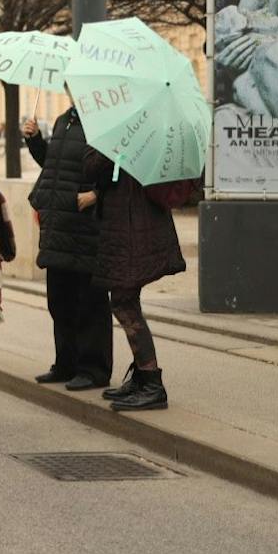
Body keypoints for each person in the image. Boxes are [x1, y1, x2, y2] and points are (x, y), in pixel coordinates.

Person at [82, 146, 187, 412]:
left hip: (133, 228)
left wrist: (107, 147)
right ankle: (142, 377)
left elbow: (93, 169)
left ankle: (152, 384)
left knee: (123, 301)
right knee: (125, 300)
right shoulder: (148, 135)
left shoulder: (125, 135)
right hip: (134, 224)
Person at [22, 102, 113, 391]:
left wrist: (97, 194)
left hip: (87, 228)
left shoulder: (106, 119)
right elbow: (53, 166)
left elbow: (122, 166)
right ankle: (66, 364)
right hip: (60, 225)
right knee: (59, 301)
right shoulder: (65, 120)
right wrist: (35, 140)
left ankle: (93, 369)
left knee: (89, 303)